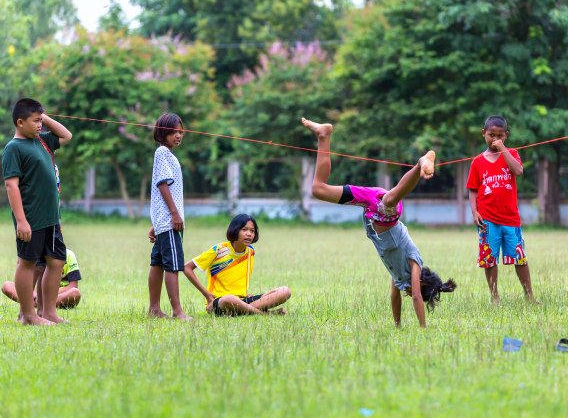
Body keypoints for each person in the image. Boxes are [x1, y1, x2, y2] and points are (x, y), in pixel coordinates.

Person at [301, 117, 456, 328]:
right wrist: (423, 329)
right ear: (422, 282)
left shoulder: (400, 277)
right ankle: (422, 162)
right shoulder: (415, 267)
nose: (410, 294)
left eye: (410, 293)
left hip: (370, 208)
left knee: (318, 189)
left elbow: (395, 297)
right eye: (413, 291)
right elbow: (418, 297)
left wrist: (398, 326)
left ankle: (323, 135)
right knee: (391, 199)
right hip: (385, 212)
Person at [2, 98, 72, 325]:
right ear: (20, 122)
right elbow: (11, 185)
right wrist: (21, 221)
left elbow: (66, 135)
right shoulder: (13, 148)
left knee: (56, 262)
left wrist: (43, 117)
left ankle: (49, 312)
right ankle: (29, 315)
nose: (40, 125)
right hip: (31, 219)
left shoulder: (42, 140)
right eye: (35, 121)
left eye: (41, 121)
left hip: (51, 217)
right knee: (28, 263)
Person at [466, 115, 536, 305]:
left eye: (499, 136)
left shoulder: (511, 153)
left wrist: (503, 149)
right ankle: (494, 297)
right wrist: (474, 212)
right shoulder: (477, 162)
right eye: (491, 135)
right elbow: (472, 189)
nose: (495, 139)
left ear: (506, 135)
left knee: (519, 258)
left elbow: (519, 171)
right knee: (489, 259)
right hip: (487, 220)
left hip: (511, 219)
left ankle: (529, 296)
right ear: (483, 134)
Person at [183, 214, 291, 316]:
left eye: (252, 231)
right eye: (244, 230)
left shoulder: (250, 252)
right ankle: (266, 314)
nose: (249, 234)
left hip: (242, 300)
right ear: (235, 230)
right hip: (219, 301)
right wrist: (206, 294)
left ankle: (240, 310)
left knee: (285, 291)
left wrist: (245, 294)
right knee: (228, 299)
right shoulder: (219, 250)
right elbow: (187, 268)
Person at [147, 113, 192, 320]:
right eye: (174, 131)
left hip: (162, 221)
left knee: (157, 264)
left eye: (181, 132)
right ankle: (178, 311)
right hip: (169, 221)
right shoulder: (163, 152)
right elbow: (163, 184)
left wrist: (155, 223)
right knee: (173, 265)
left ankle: (154, 310)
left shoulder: (166, 154)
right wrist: (174, 214)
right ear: (163, 133)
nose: (178, 135)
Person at [2, 249, 83, 317]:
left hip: (60, 295)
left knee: (75, 293)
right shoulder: (37, 254)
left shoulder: (68, 255)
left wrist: (48, 296)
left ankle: (39, 303)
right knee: (7, 286)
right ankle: (40, 303)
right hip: (36, 294)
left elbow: (73, 286)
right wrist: (37, 296)